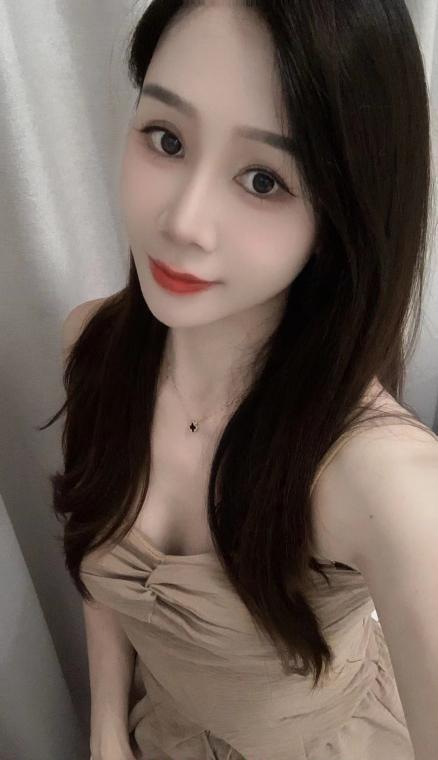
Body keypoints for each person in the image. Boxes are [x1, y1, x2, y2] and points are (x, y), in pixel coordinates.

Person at [41, 1, 438, 758]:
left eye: (263, 179)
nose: (183, 222)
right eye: (167, 138)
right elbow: (99, 562)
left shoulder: (386, 481)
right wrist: (105, 729)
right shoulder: (91, 347)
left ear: (343, 215)